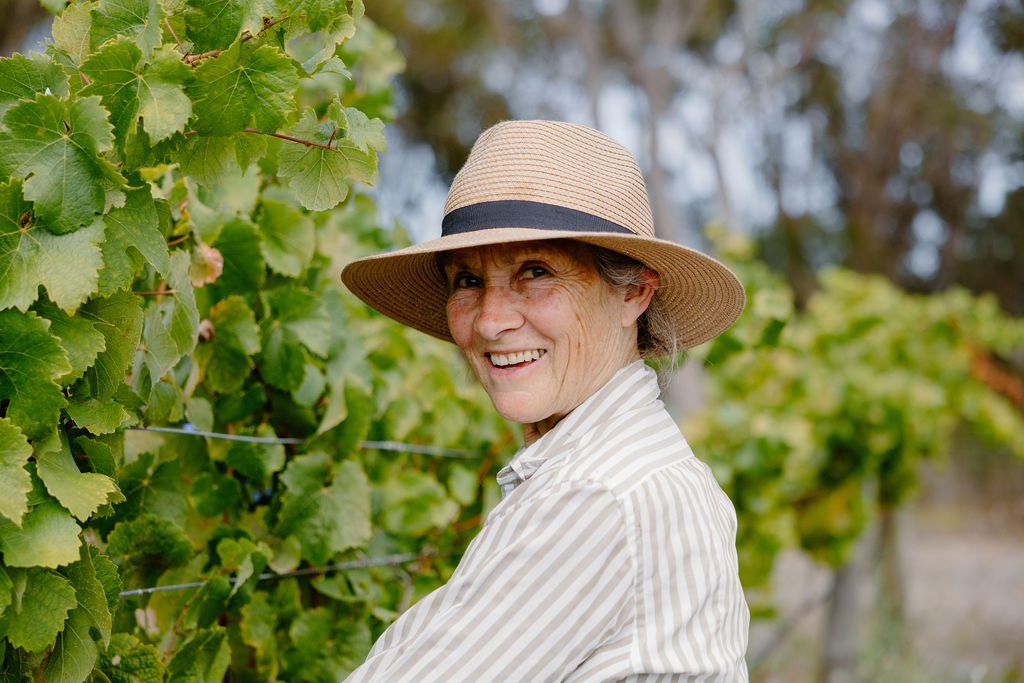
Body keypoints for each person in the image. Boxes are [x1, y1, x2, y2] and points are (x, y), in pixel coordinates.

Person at [340, 120, 749, 682]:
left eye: (536, 272)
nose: (490, 320)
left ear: (633, 292)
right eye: (466, 280)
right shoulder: (645, 467)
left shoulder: (597, 493)